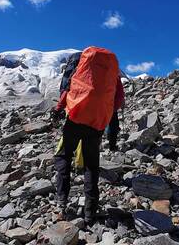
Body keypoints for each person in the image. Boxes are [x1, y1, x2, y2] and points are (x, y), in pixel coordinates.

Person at [52, 47, 124, 224]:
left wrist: (58, 109)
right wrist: (105, 114)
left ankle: (61, 202)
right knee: (91, 166)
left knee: (64, 156)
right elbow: (119, 99)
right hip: (97, 123)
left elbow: (68, 88)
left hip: (76, 118)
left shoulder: (81, 66)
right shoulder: (111, 72)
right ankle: (90, 214)